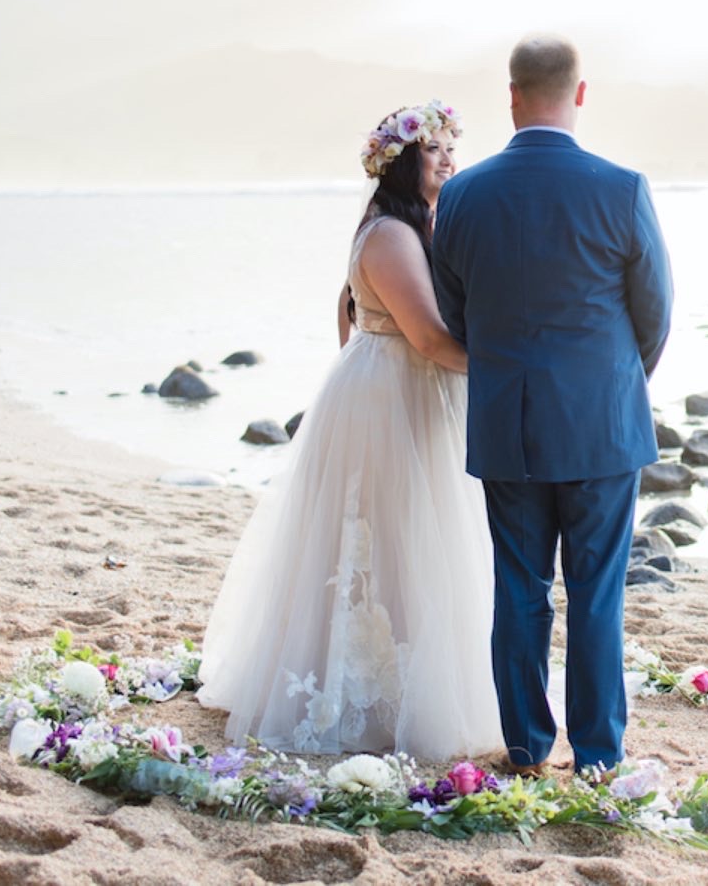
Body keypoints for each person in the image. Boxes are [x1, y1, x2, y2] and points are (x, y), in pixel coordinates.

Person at [197, 101, 503, 760]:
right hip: (389, 391)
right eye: (434, 149)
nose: (449, 159)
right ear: (400, 162)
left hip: (408, 388)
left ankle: (411, 677)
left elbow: (348, 306)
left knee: (415, 537)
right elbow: (425, 336)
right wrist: (508, 364)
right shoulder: (391, 233)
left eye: (452, 147)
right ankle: (366, 693)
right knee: (382, 533)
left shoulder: (418, 223)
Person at [432, 36, 673, 776]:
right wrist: (615, 384)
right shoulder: (621, 187)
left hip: (509, 423)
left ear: (511, 95)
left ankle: (527, 744)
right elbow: (655, 314)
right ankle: (598, 754)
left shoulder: (464, 194)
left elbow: (455, 312)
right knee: (597, 593)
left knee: (519, 586)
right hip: (602, 426)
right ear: (580, 93)